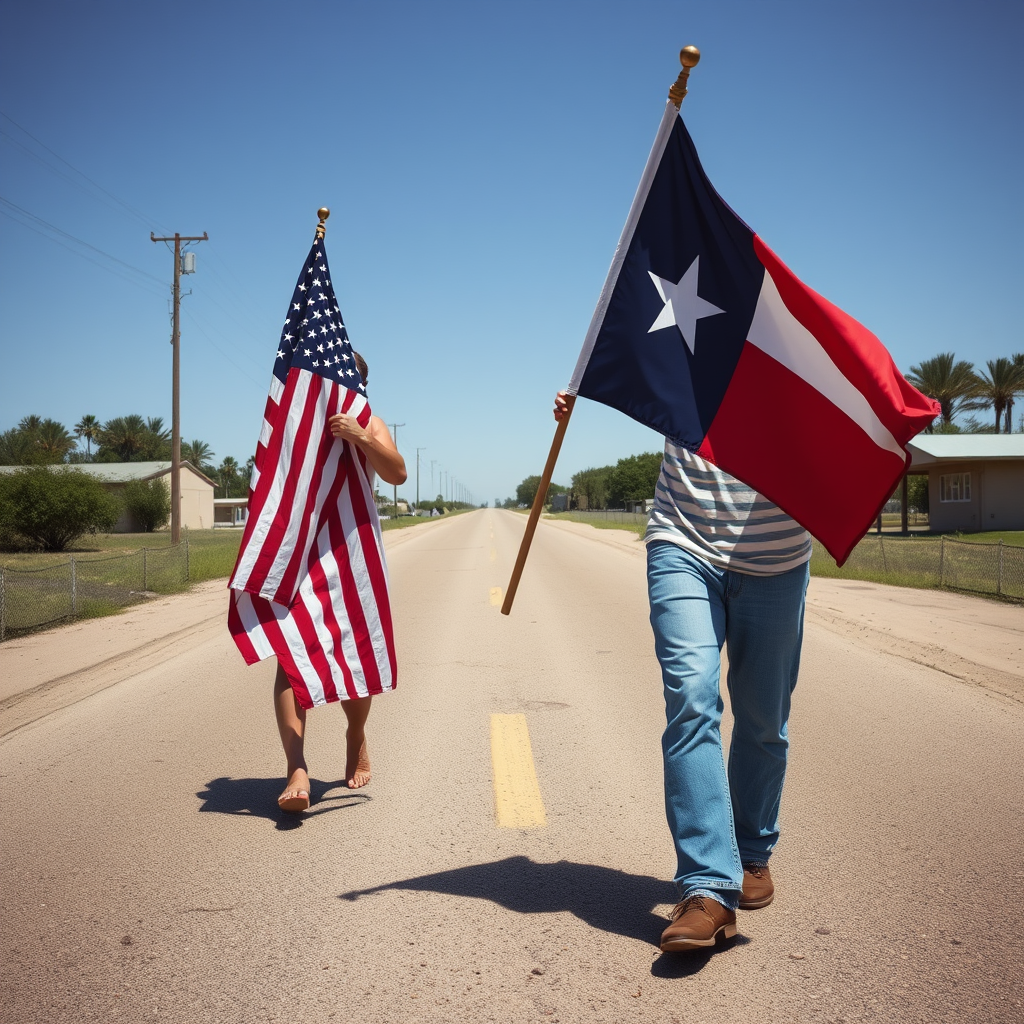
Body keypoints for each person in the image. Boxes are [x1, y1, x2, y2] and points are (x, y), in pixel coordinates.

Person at [554, 391, 811, 953]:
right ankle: (707, 887)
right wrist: (591, 386)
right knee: (693, 696)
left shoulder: (788, 332)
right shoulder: (690, 310)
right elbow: (638, 361)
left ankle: (750, 853)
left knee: (764, 719)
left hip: (778, 556)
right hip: (683, 538)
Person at [275, 352, 407, 812]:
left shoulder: (367, 418)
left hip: (352, 550)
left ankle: (356, 733)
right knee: (290, 653)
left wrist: (358, 435)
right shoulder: (292, 423)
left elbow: (397, 473)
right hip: (299, 549)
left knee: (355, 656)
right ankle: (296, 766)